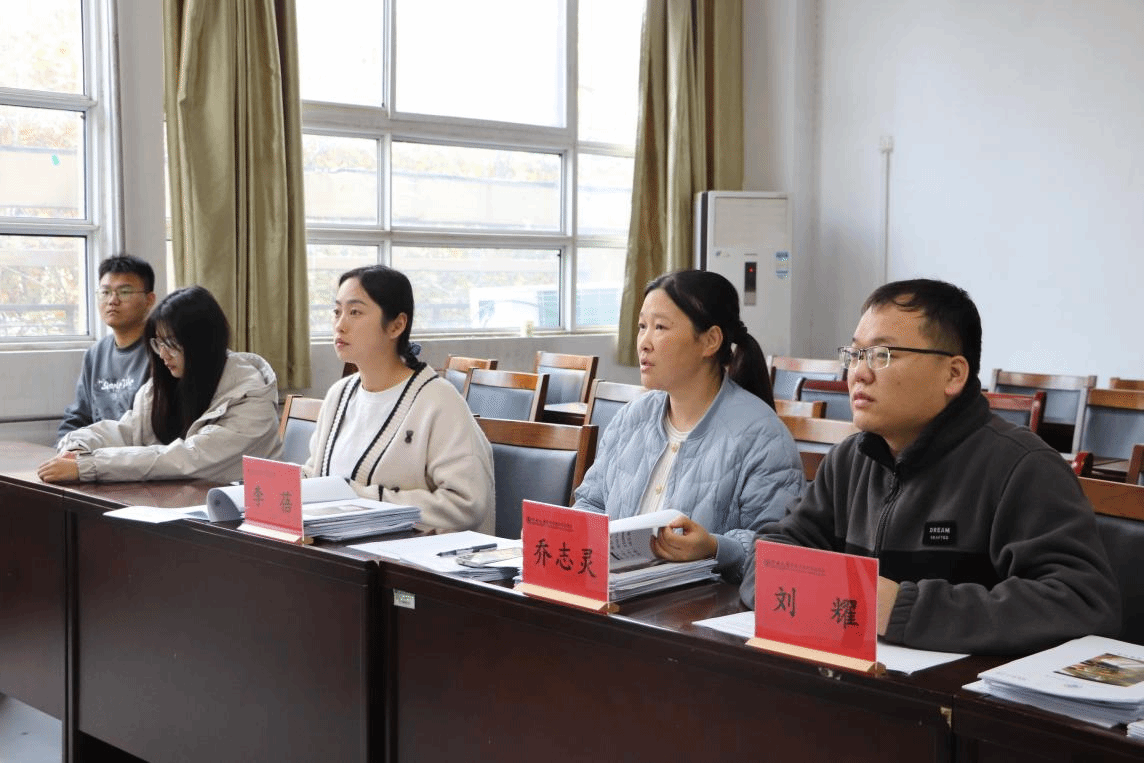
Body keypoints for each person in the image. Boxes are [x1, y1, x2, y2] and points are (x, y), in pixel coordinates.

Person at [741, 278, 1120, 654]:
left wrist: (902, 609)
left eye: (882, 355)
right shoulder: (849, 461)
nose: (858, 373)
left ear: (953, 374)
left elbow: (1082, 602)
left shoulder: (1022, 468)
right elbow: (771, 557)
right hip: (857, 676)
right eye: (855, 354)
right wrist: (829, 597)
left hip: (960, 688)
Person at [573, 269, 804, 581]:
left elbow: (780, 552)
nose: (644, 343)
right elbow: (590, 502)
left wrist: (715, 548)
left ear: (710, 341)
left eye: (660, 327)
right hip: (617, 593)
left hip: (699, 605)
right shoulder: (631, 418)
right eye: (642, 326)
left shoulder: (763, 437)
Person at [303, 265, 494, 534]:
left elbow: (466, 505)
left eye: (355, 312)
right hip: (336, 549)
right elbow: (315, 475)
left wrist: (359, 500)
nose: (339, 325)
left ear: (396, 325)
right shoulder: (339, 394)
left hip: (407, 554)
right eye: (337, 312)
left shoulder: (438, 401)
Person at [39, 286, 281, 483]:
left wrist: (90, 466)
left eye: (171, 343)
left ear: (202, 342)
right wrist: (77, 447)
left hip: (242, 514)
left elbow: (189, 458)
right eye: (158, 343)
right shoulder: (167, 386)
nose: (163, 354)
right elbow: (128, 432)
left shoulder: (250, 395)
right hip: (185, 506)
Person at [58, 254, 157, 442]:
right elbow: (78, 417)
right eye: (105, 292)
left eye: (124, 292)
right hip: (96, 452)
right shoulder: (95, 354)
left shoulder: (161, 350)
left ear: (149, 300)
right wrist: (64, 446)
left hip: (139, 454)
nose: (113, 300)